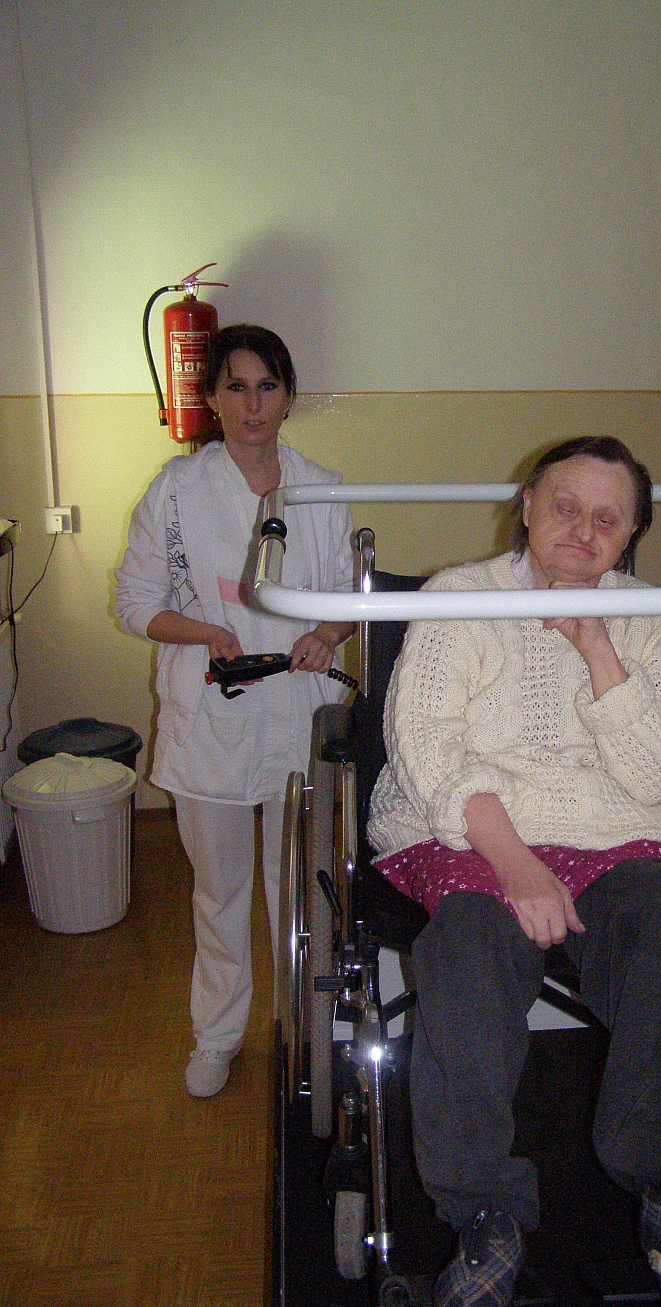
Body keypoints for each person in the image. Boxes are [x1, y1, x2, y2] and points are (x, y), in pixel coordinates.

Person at [367, 437, 661, 1307]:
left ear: (632, 534)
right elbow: (426, 748)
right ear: (528, 504)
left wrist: (600, 651)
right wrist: (517, 864)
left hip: (617, 835)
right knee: (466, 946)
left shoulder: (657, 615)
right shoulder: (459, 599)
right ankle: (484, 1212)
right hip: (474, 834)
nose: (583, 529)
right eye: (566, 506)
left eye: (608, 518)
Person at [115, 324, 354, 1099]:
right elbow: (134, 603)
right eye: (237, 387)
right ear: (213, 398)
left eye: (268, 386)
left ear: (289, 397)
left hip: (295, 712)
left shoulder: (319, 488)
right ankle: (217, 1034)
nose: (253, 404)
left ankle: (304, 1031)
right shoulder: (177, 490)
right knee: (218, 892)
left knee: (299, 888)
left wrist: (325, 634)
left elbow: (349, 598)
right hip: (211, 717)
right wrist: (204, 633)